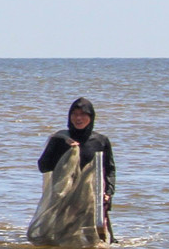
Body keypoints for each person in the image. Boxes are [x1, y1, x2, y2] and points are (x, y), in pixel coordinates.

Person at [37, 97, 115, 240]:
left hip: (92, 196)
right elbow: (43, 167)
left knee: (101, 240)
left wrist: (109, 192)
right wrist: (64, 149)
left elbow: (109, 169)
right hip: (64, 196)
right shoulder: (59, 139)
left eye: (83, 114)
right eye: (75, 114)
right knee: (59, 239)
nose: (78, 118)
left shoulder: (100, 141)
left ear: (91, 117)